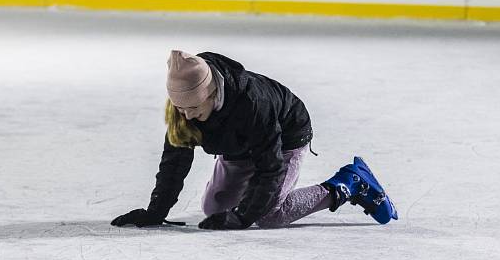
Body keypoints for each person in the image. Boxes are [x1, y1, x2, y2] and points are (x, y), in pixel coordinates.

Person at [111, 51, 397, 230]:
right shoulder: (184, 108)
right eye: (181, 109)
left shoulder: (252, 103)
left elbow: (270, 167)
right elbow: (174, 161)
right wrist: (155, 211)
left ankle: (346, 184)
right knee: (215, 209)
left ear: (212, 95)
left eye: (194, 109)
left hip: (284, 136)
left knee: (268, 215)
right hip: (238, 142)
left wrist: (243, 217)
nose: (187, 116)